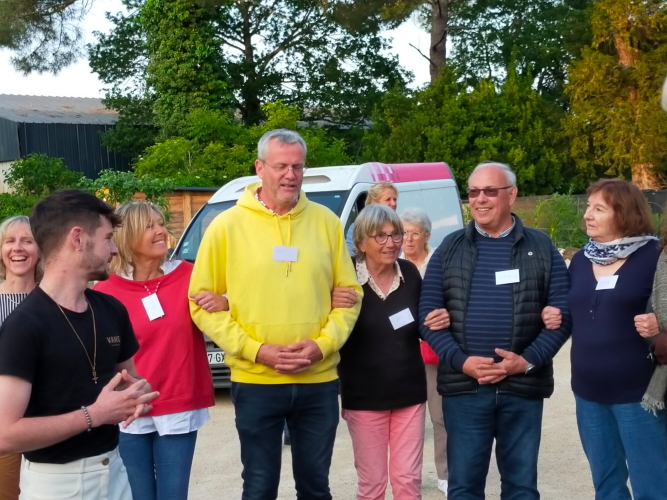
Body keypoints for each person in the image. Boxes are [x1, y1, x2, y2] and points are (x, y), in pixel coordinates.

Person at [188, 129, 363, 500]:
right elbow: (200, 304)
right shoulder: (226, 227)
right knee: (259, 487)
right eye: (281, 166)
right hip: (256, 380)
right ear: (259, 168)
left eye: (298, 166)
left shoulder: (327, 223)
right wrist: (256, 350)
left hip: (318, 380)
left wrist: (322, 346)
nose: (290, 175)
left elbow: (350, 299)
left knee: (316, 488)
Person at [419, 162, 572, 500]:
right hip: (465, 389)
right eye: (474, 192)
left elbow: (563, 315)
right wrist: (461, 361)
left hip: (522, 388)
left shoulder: (541, 247)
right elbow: (427, 317)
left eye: (490, 191)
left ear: (511, 195)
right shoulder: (449, 248)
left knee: (521, 488)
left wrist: (526, 361)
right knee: (464, 487)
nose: (480, 199)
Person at [0, 189, 159, 500]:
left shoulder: (112, 309)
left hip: (115, 471)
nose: (114, 249)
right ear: (77, 238)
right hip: (55, 484)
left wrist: (136, 394)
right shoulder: (23, 326)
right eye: (107, 238)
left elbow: (131, 379)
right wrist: (95, 414)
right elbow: (5, 434)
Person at [93, 202, 218, 500]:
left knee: (173, 495)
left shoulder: (190, 276)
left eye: (161, 223)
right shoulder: (104, 291)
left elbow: (231, 310)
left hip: (178, 402)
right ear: (128, 236)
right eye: (150, 226)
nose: (162, 231)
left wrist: (223, 302)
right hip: (129, 407)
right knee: (137, 495)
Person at [566, 179, 667, 499]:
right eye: (588, 207)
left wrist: (661, 324)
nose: (587, 215)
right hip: (588, 393)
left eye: (599, 209)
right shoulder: (580, 260)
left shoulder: (655, 255)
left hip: (638, 393)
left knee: (652, 484)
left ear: (624, 213)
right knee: (606, 484)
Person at [339, 204, 448, 500]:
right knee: (372, 485)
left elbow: (422, 324)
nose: (391, 243)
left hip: (409, 394)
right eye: (380, 236)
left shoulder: (409, 273)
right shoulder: (344, 277)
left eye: (395, 235)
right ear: (361, 242)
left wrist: (438, 320)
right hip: (364, 397)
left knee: (408, 482)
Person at [399, 207, 449, 495]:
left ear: (427, 235)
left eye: (414, 233)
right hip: (401, 352)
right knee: (406, 420)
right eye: (403, 233)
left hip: (432, 350)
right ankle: (408, 476)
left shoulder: (439, 262)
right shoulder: (393, 263)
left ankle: (445, 473)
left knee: (439, 416)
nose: (407, 239)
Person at [0, 216, 41, 500]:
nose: (18, 248)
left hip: (47, 420)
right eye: (10, 241)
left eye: (27, 241)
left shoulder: (54, 300)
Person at [346, 182, 398, 255]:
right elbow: (351, 255)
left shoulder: (400, 226)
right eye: (388, 199)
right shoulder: (357, 227)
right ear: (374, 203)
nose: (393, 203)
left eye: (394, 199)